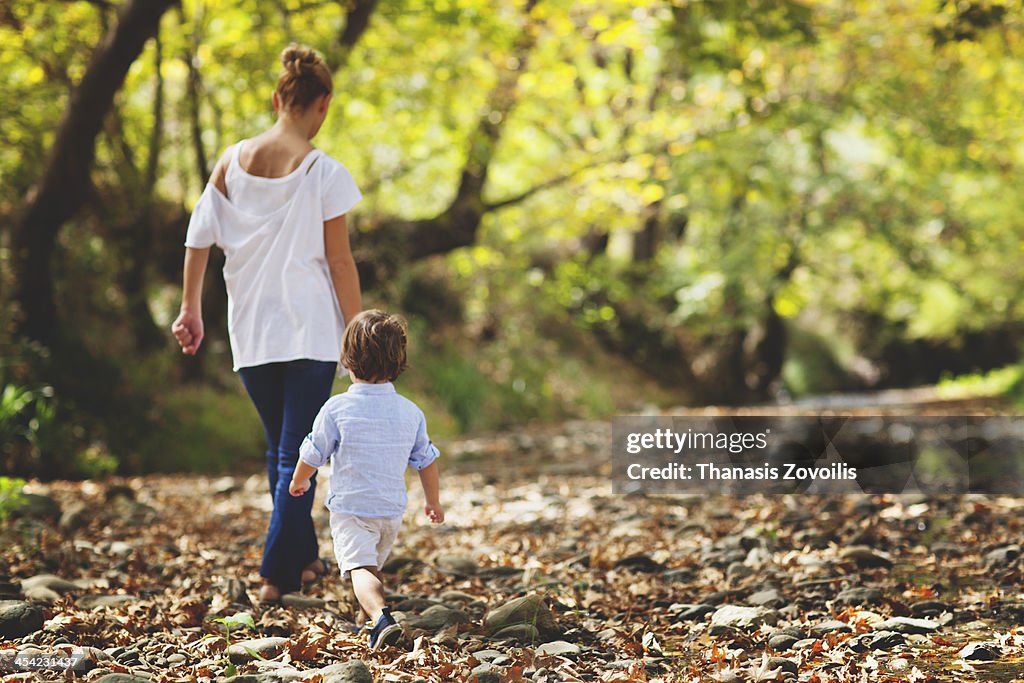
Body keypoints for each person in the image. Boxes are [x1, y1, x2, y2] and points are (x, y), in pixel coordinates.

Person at [171, 44, 362, 604]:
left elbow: (198, 238)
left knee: (284, 450)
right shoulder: (325, 172)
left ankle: (304, 560)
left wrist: (190, 309)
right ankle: (275, 574)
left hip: (251, 333)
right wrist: (357, 335)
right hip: (310, 331)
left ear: (279, 98)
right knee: (293, 453)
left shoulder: (230, 162)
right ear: (322, 104)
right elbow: (340, 261)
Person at [289, 309, 444, 650]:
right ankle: (367, 623)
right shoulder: (410, 411)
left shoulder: (337, 408)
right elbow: (426, 462)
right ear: (398, 359)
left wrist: (300, 481)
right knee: (370, 567)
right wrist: (433, 502)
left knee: (359, 569)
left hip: (351, 509)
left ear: (347, 359)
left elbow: (313, 452)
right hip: (390, 511)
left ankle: (382, 618)